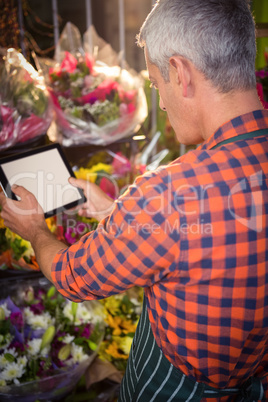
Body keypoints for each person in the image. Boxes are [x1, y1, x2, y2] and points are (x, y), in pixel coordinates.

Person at [1, 0, 267, 400]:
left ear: (180, 72)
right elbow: (205, 240)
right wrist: (115, 210)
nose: (160, 102)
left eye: (157, 85)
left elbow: (76, 277)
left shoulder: (168, 194)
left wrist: (35, 227)